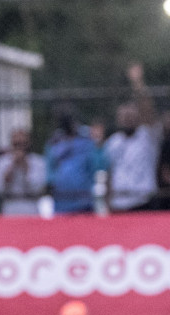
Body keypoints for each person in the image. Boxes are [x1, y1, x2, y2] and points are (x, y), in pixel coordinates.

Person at [103, 63, 162, 214]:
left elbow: (148, 111)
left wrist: (138, 84)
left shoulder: (146, 137)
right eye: (123, 116)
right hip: (119, 205)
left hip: (143, 203)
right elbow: (110, 173)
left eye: (130, 116)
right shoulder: (113, 142)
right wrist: (107, 202)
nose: (127, 119)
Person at [46, 111, 107, 215]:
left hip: (84, 201)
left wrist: (97, 143)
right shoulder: (55, 143)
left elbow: (98, 165)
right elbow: (49, 170)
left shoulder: (86, 142)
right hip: (62, 201)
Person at [0, 128, 47, 216]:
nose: (20, 148)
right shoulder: (1, 162)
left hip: (31, 205)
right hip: (10, 205)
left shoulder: (38, 162)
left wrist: (26, 168)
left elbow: (39, 187)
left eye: (23, 144)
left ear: (28, 143)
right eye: (17, 144)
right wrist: (11, 168)